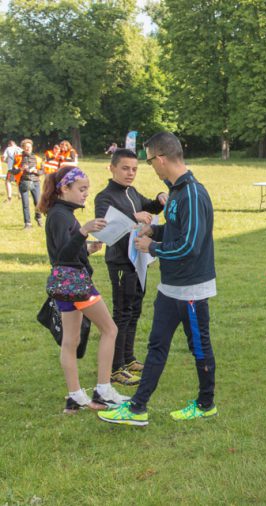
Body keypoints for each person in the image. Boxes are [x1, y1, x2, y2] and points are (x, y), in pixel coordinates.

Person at [98, 132, 217, 426]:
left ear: (161, 159)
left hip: (191, 288)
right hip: (170, 287)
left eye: (149, 161)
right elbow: (177, 232)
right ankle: (138, 408)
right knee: (156, 346)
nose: (150, 167)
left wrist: (152, 247)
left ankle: (206, 404)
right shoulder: (175, 190)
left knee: (199, 347)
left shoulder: (192, 193)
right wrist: (156, 232)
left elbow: (191, 245)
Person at [38, 166, 131, 414]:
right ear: (64, 188)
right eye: (81, 189)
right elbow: (62, 255)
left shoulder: (61, 213)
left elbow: (67, 249)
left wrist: (87, 248)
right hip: (76, 285)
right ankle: (103, 390)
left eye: (87, 189)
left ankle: (75, 397)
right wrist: (84, 231)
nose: (85, 194)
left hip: (64, 286)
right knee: (110, 329)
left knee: (70, 341)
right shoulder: (60, 215)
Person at [94, 148, 167, 386]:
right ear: (112, 168)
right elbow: (105, 225)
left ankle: (128, 358)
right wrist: (134, 215)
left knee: (135, 309)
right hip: (120, 262)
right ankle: (115, 368)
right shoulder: (104, 197)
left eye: (134, 169)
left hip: (138, 260)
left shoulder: (131, 191)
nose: (130, 173)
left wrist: (159, 198)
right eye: (125, 168)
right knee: (122, 311)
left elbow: (150, 207)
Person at [11, 139, 43, 228]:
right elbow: (13, 171)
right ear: (23, 148)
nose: (28, 148)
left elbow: (42, 171)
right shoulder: (18, 158)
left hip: (35, 182)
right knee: (25, 204)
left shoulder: (37, 158)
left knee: (37, 202)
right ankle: (27, 223)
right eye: (26, 147)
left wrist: (36, 171)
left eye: (29, 147)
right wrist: (20, 169)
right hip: (23, 182)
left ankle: (38, 217)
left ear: (32, 147)